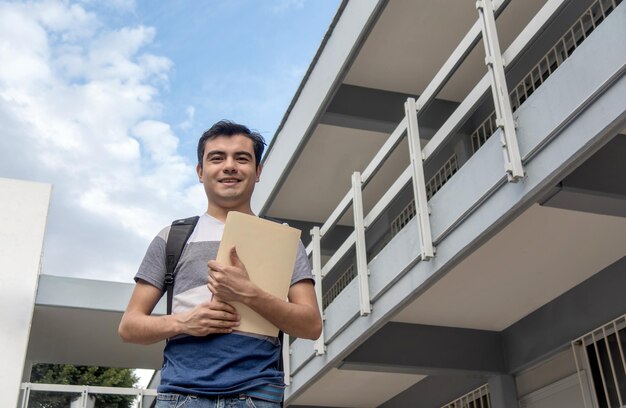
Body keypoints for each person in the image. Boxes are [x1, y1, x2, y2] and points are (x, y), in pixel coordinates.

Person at [118, 120, 322, 407]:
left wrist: (248, 293)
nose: (230, 166)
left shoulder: (284, 240)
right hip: (180, 395)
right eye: (217, 158)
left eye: (242, 158)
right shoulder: (172, 238)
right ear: (201, 172)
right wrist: (183, 322)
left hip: (257, 395)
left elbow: (311, 325)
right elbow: (129, 326)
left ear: (258, 171)